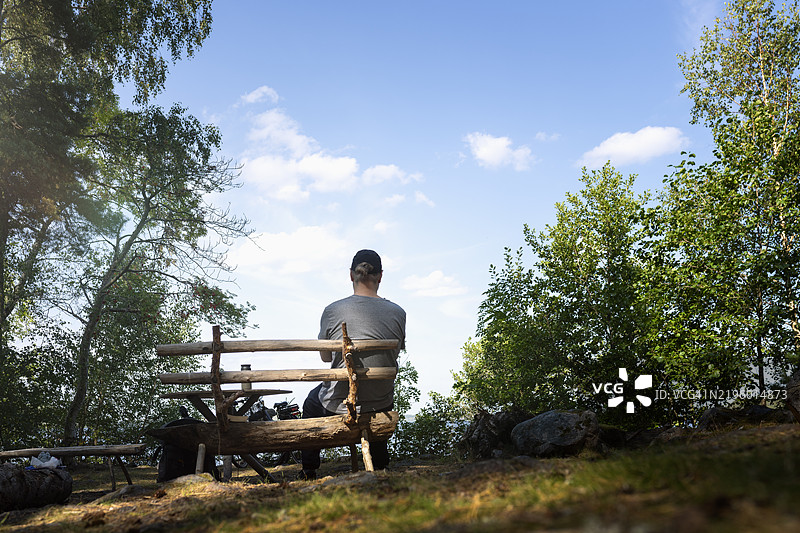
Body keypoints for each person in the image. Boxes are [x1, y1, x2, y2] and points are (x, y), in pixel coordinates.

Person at [299, 249, 406, 480]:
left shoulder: (333, 310)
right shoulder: (399, 312)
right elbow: (394, 354)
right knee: (378, 396)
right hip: (380, 403)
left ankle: (308, 470)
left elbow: (326, 358)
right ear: (380, 276)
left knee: (311, 402)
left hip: (338, 402)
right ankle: (379, 463)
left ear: (351, 275)